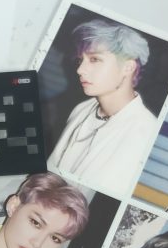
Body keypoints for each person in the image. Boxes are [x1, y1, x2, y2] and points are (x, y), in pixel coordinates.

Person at [47, 17, 156, 193]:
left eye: (94, 59)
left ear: (128, 67)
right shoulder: (82, 109)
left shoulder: (145, 131)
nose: (80, 70)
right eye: (80, 60)